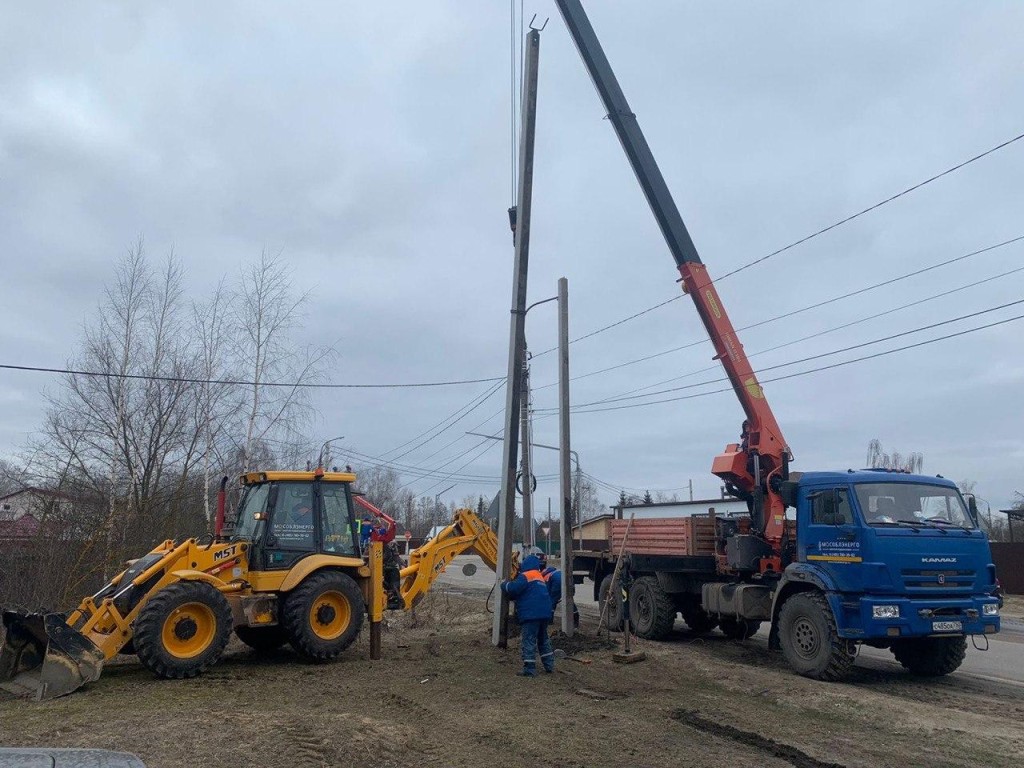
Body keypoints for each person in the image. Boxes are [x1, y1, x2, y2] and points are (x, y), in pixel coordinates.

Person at [500, 553, 554, 677]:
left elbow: (514, 589)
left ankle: (529, 669)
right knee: (543, 639)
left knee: (529, 640)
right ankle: (549, 665)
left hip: (531, 615)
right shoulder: (539, 577)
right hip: (544, 614)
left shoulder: (525, 576)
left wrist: (504, 584)